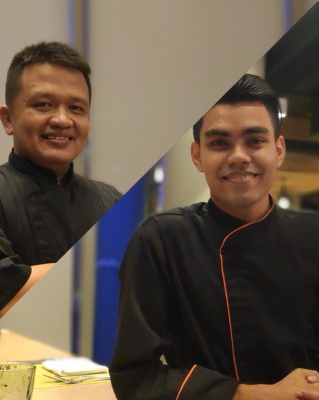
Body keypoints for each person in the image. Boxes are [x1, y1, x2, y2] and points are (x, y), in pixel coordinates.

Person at [109, 74, 319, 400]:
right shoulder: (162, 240)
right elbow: (134, 377)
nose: (238, 156)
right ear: (197, 155)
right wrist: (251, 395)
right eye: (220, 143)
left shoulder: (312, 235)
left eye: (255, 140)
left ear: (278, 150)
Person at [0, 41, 121, 359]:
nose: (62, 119)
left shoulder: (109, 200)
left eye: (77, 108)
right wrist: (98, 280)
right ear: (8, 119)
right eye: (44, 105)